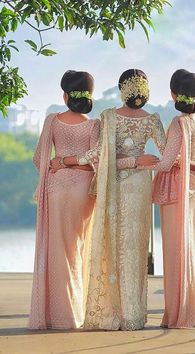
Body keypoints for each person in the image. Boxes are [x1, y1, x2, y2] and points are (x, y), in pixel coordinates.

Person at [52, 69, 167, 330]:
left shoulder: (110, 117)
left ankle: (119, 313)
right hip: (132, 185)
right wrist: (140, 161)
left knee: (123, 247)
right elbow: (164, 158)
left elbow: (105, 160)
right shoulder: (149, 120)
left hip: (124, 187)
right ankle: (130, 315)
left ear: (120, 89)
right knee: (128, 247)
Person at [29, 70, 100, 329]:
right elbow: (96, 161)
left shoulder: (52, 121)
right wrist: (77, 167)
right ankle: (76, 313)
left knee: (56, 249)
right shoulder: (94, 125)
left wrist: (59, 165)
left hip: (56, 189)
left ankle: (58, 315)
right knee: (77, 250)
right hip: (83, 191)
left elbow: (40, 159)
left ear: (65, 95)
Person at [149, 69, 195, 328]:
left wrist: (141, 164)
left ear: (173, 93)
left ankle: (179, 315)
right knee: (192, 250)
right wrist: (194, 166)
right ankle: (194, 312)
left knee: (176, 253)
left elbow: (165, 164)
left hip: (177, 190)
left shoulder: (179, 123)